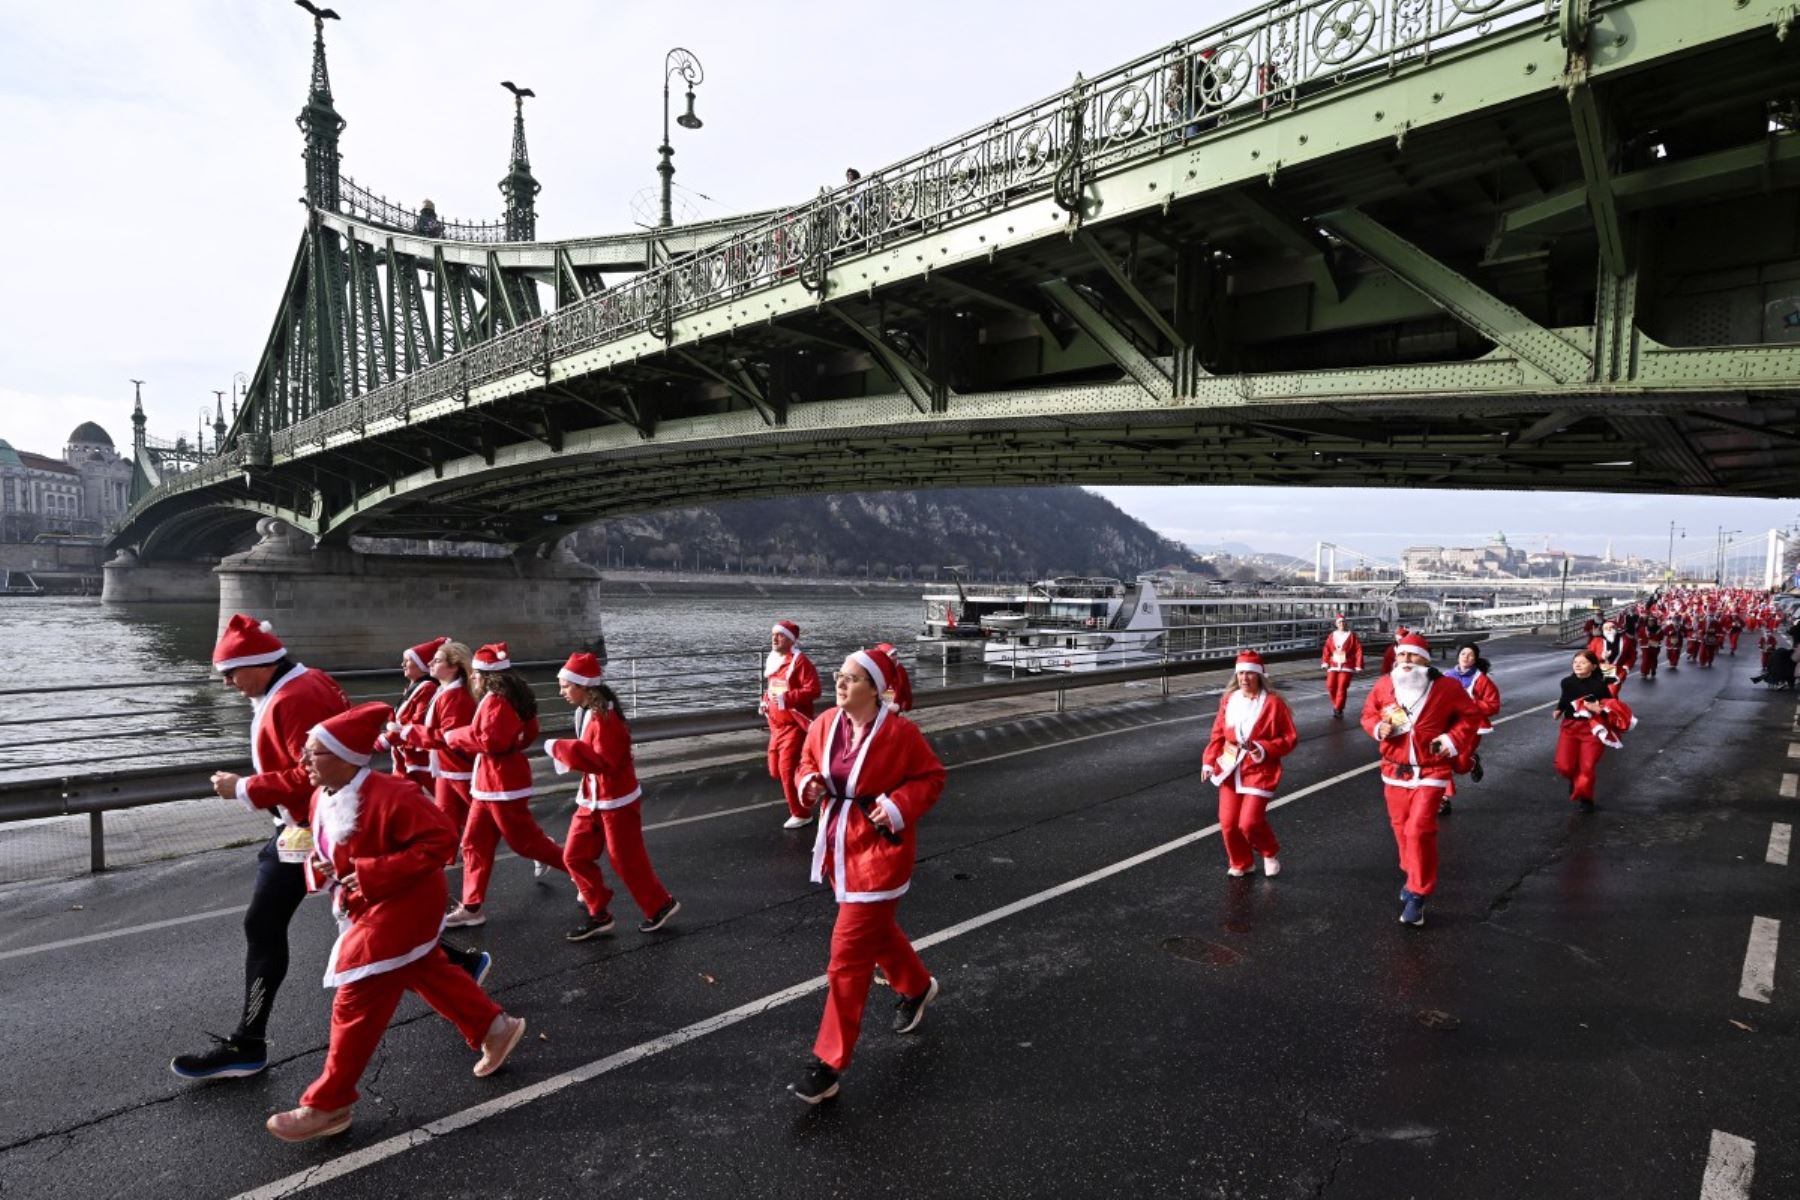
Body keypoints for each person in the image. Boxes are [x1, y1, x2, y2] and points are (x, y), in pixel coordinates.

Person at [264, 703, 527, 1143]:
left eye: (314, 752)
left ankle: (329, 1103)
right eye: (306, 752)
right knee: (425, 970)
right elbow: (331, 851)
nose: (303, 760)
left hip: (405, 904)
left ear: (347, 756)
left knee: (356, 995)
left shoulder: (394, 793)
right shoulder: (321, 794)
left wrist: (370, 873)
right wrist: (322, 867)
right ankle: (495, 1029)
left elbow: (442, 840)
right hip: (368, 903)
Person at [172, 615, 353, 1080]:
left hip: (315, 828)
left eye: (230, 673)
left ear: (259, 663)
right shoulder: (304, 682)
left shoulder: (295, 697)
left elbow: (312, 774)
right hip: (307, 826)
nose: (226, 683)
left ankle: (251, 1045)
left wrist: (243, 787)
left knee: (361, 930)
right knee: (367, 924)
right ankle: (248, 1041)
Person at [789, 646, 944, 1105]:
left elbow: (931, 778)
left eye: (852, 678)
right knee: (876, 933)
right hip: (839, 849)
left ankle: (828, 1064)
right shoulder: (824, 724)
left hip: (879, 853)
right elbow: (805, 762)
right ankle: (917, 988)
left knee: (847, 955)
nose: (839, 682)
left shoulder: (900, 733)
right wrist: (808, 783)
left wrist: (897, 806)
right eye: (839, 674)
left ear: (875, 689)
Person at [543, 652, 681, 941]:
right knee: (574, 856)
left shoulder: (605, 719)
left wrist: (559, 748)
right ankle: (599, 913)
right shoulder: (586, 712)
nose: (561, 692)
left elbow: (603, 761)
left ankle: (660, 905)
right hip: (593, 798)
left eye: (565, 686)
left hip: (616, 800)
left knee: (625, 860)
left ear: (583, 686)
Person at [434, 643, 569, 927]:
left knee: (525, 843)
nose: (472, 677)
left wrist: (455, 736)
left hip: (501, 785)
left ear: (487, 676)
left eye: (476, 673)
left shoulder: (496, 701)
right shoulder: (504, 698)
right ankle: (472, 907)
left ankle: (584, 874)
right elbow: (525, 732)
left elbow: (489, 741)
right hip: (489, 784)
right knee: (474, 842)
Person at [1359, 632, 1483, 928]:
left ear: (1425, 660)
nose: (1406, 660)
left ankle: (1418, 892)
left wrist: (1451, 740)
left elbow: (1470, 717)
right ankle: (1412, 872)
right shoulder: (1384, 684)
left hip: (1432, 769)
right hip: (1395, 768)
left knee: (1418, 830)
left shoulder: (1446, 687)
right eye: (1401, 655)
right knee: (1400, 828)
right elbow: (1368, 714)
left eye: (1413, 655)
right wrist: (1377, 728)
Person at [1202, 651, 1299, 877]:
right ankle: (1242, 862)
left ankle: (1269, 851)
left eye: (1250, 673)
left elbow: (1289, 738)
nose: (1244, 678)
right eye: (1241, 673)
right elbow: (1218, 734)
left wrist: (1263, 748)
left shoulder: (1273, 703)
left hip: (1260, 769)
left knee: (1249, 822)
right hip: (1229, 767)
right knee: (1228, 823)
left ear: (1259, 676)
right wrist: (1208, 761)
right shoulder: (1229, 700)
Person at [392, 639, 479, 845]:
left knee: (486, 820)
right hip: (446, 768)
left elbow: (449, 737)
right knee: (447, 822)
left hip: (459, 768)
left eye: (437, 660)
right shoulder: (444, 691)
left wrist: (409, 732)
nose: (430, 663)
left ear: (454, 667)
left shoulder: (455, 696)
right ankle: (445, 857)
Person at [1554, 652, 1633, 809]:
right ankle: (1575, 779)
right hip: (1569, 727)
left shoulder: (1599, 685)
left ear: (1593, 666)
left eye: (1582, 663)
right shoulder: (1567, 682)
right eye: (1575, 662)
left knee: (1587, 766)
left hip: (1593, 729)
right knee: (1564, 766)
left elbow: (1612, 706)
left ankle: (1586, 798)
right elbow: (1565, 698)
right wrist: (1559, 709)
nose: (1577, 665)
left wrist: (1599, 709)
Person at [764, 620, 822, 829]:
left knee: (786, 771)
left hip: (793, 727)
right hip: (776, 727)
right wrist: (764, 701)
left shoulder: (800, 662)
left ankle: (801, 813)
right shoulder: (774, 660)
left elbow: (814, 689)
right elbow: (772, 688)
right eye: (773, 635)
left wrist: (787, 698)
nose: (774, 638)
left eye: (779, 635)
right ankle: (810, 780)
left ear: (790, 640)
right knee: (775, 770)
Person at [1439, 643, 1501, 816]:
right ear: (1458, 656)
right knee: (1443, 759)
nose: (1466, 657)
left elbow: (1493, 705)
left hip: (1471, 727)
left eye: (1470, 655)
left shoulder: (1481, 680)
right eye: (1463, 654)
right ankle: (1443, 799)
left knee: (1460, 765)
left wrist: (1471, 702)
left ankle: (1473, 762)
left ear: (1475, 659)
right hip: (1448, 726)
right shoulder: (1446, 676)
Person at [383, 637, 446, 793]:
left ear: (422, 665)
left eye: (407, 661)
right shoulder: (414, 687)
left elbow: (419, 720)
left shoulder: (428, 688)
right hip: (407, 755)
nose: (402, 664)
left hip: (419, 756)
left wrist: (390, 736)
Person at [1319, 612, 1364, 719]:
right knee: (1330, 686)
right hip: (1333, 664)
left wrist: (1358, 664)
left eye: (1343, 622)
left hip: (1347, 665)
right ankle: (1337, 704)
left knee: (1341, 687)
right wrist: (1325, 661)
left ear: (1346, 623)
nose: (1342, 624)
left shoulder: (1351, 635)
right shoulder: (1332, 635)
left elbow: (1358, 650)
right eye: (1339, 622)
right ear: (1336, 624)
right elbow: (1326, 649)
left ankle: (1338, 709)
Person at [1588, 618, 1636, 698]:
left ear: (1616, 629)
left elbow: (1632, 655)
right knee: (1599, 695)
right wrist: (1601, 656)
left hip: (1617, 671)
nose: (1609, 630)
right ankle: (1612, 705)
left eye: (1611, 627)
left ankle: (1611, 704)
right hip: (1599, 671)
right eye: (1606, 628)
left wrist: (1627, 666)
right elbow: (1589, 656)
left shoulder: (1626, 641)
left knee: (1611, 693)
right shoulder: (1596, 641)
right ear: (1603, 630)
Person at [872, 642, 914, 713]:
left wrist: (907, 704)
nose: (895, 657)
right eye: (892, 655)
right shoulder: (878, 669)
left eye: (895, 654)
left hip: (893, 702)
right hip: (882, 702)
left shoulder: (899, 670)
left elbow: (906, 688)